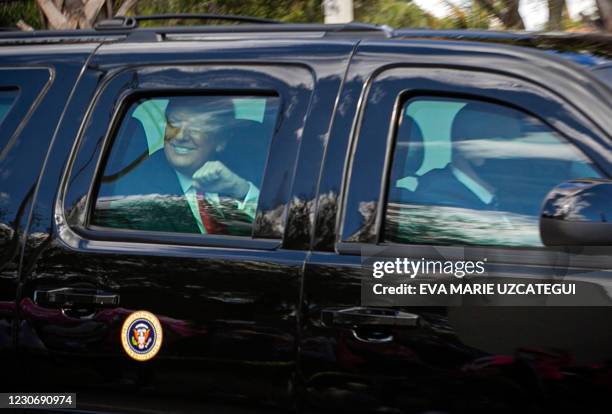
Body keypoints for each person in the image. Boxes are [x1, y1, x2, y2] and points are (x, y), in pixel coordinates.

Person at [93, 96, 259, 236]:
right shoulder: (134, 188)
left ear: (221, 141)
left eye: (196, 127)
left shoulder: (247, 173)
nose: (180, 136)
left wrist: (241, 190)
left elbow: (274, 227)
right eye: (174, 123)